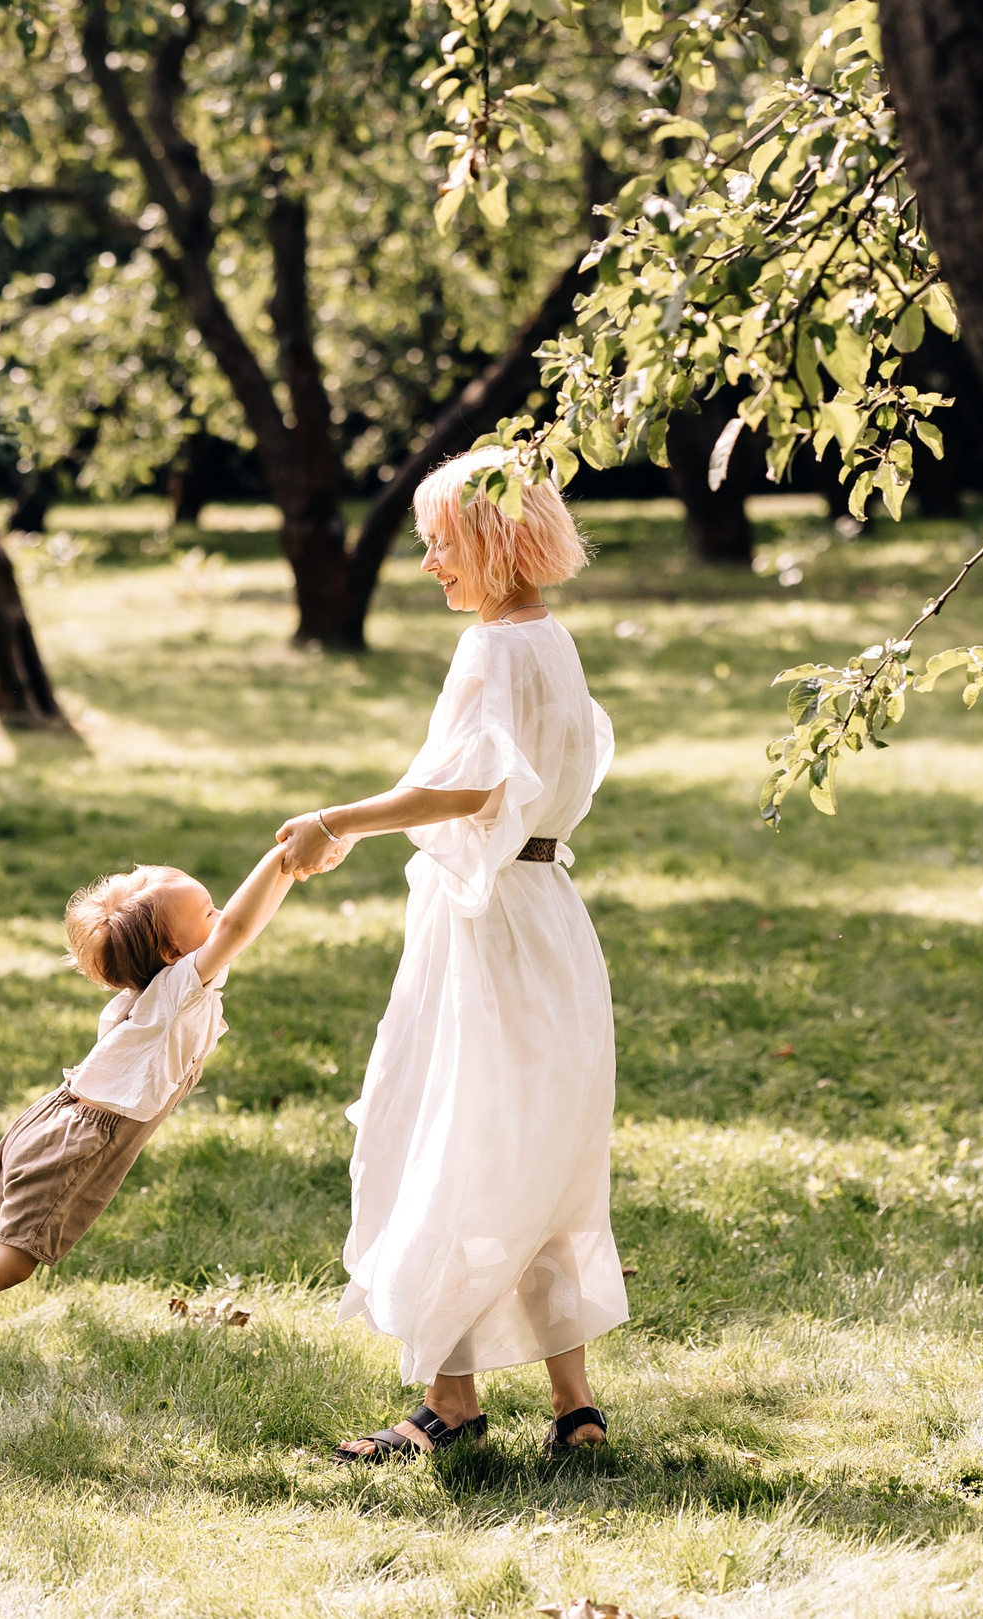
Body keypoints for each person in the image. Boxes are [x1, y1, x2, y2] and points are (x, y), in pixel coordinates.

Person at [277, 447, 625, 1461]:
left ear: (489, 541)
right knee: (539, 1154)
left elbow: (477, 788)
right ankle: (574, 1406)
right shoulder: (550, 640)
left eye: (439, 544)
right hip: (547, 916)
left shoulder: (492, 649)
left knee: (450, 1137)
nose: (429, 564)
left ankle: (449, 1403)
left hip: (489, 928)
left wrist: (337, 819)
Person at [0, 845, 299, 1409]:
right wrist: (281, 858)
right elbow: (241, 926)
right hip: (81, 1143)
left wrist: (292, 868)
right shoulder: (178, 990)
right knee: (12, 1261)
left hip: (54, 1118)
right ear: (174, 952)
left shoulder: (156, 989)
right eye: (208, 913)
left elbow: (244, 925)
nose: (220, 917)